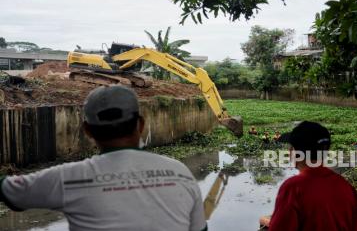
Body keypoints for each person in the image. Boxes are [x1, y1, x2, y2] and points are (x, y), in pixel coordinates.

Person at [0, 85, 207, 231]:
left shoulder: (69, 178)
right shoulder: (180, 172)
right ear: (141, 125)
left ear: (87, 131)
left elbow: (9, 191)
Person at [262, 121, 357, 231]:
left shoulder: (293, 187)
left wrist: (268, 222)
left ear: (296, 152)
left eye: (291, 147)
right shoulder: (346, 186)